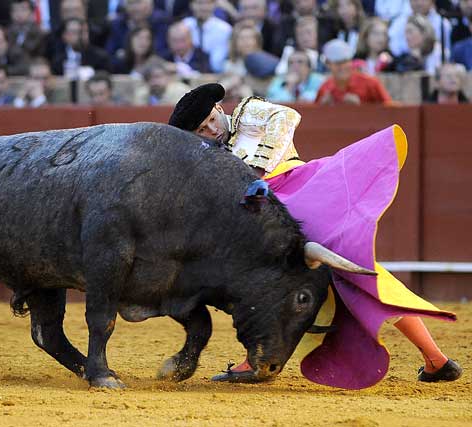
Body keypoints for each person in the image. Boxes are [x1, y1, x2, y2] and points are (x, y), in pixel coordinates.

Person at [167, 82, 463, 387]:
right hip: (270, 216)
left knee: (358, 275)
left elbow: (287, 118)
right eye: (201, 130)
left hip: (304, 195)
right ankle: (435, 360)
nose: (211, 131)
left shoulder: (247, 112)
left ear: (218, 108)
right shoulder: (214, 154)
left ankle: (434, 357)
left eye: (210, 121)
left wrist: (255, 171)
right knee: (344, 282)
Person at [315, 38, 392, 105]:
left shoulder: (370, 83)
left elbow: (391, 111)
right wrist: (322, 106)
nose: (343, 67)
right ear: (328, 64)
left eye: (345, 61)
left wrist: (360, 107)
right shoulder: (325, 88)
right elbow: (313, 117)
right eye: (338, 63)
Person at [181, 0, 233, 73]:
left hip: (217, 75)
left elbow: (222, 61)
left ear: (215, 4)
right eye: (199, 3)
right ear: (191, 5)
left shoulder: (225, 29)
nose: (203, 7)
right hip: (187, 73)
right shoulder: (184, 25)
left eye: (208, 3)